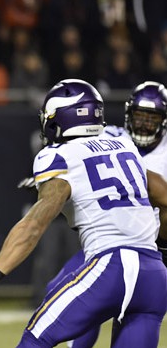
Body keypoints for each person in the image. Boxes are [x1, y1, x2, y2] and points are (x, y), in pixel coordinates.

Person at [0, 79, 167, 348]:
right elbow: (164, 197)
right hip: (154, 275)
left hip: (111, 268)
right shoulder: (125, 147)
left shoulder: (57, 156)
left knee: (34, 340)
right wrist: (161, 244)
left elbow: (34, 225)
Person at [37, 80, 167, 347]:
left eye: (151, 117)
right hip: (109, 243)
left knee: (131, 312)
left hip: (151, 247)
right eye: (139, 116)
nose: (143, 123)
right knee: (60, 290)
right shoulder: (112, 137)